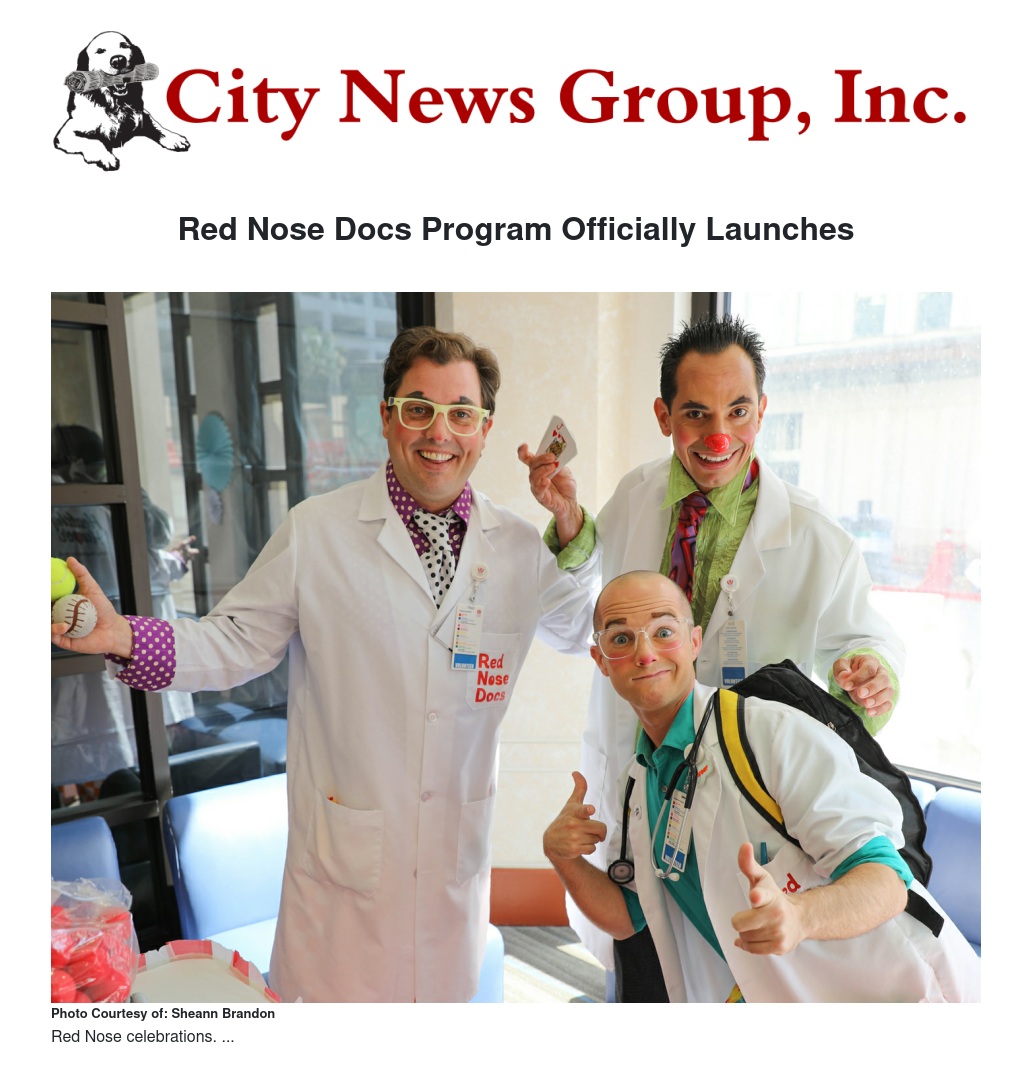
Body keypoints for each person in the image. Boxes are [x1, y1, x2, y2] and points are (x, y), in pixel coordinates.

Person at [51, 326, 600, 1003]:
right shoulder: (318, 531)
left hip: (451, 878)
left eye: (461, 413)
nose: (440, 432)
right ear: (387, 418)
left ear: (484, 430)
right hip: (342, 888)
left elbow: (582, 630)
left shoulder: (517, 545)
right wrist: (123, 637)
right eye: (419, 408)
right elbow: (234, 642)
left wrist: (570, 525)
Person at [520, 314, 906, 997]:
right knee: (645, 971)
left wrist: (871, 674)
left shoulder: (816, 536)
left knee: (752, 973)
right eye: (696, 413)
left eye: (738, 411)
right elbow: (592, 613)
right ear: (664, 415)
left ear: (763, 409)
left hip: (750, 816)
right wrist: (573, 525)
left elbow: (861, 645)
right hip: (645, 789)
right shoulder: (636, 496)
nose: (719, 435)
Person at [543, 571, 978, 1002]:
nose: (645, 654)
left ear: (694, 642)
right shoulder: (639, 779)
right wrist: (563, 858)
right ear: (600, 659)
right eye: (621, 639)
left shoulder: (771, 733)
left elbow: (886, 879)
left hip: (893, 992)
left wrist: (799, 916)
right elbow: (629, 916)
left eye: (664, 632)